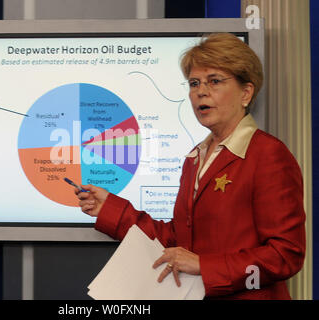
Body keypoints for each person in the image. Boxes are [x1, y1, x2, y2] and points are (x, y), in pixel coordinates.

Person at [76, 33, 306, 300]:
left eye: (215, 81)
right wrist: (111, 210)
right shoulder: (195, 158)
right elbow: (178, 242)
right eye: (194, 83)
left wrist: (204, 266)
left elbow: (286, 255)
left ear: (246, 93)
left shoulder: (268, 154)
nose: (200, 91)